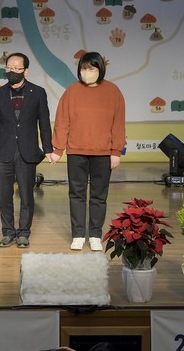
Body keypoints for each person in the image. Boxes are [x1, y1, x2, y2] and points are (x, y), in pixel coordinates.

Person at [49, 52, 126, 251]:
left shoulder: (113, 91)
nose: (87, 72)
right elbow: (62, 121)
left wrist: (116, 151)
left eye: (91, 68)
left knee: (99, 196)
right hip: (76, 151)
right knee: (77, 194)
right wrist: (58, 149)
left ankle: (94, 235)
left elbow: (118, 123)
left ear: (100, 69)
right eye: (83, 68)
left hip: (103, 152)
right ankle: (77, 235)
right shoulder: (72, 91)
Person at [0, 52, 53, 249]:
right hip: (3, 152)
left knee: (26, 196)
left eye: (16, 68)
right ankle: (8, 232)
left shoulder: (38, 92)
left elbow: (44, 123)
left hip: (27, 152)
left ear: (26, 71)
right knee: (4, 196)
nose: (12, 71)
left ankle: (23, 233)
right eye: (9, 68)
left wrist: (48, 148)